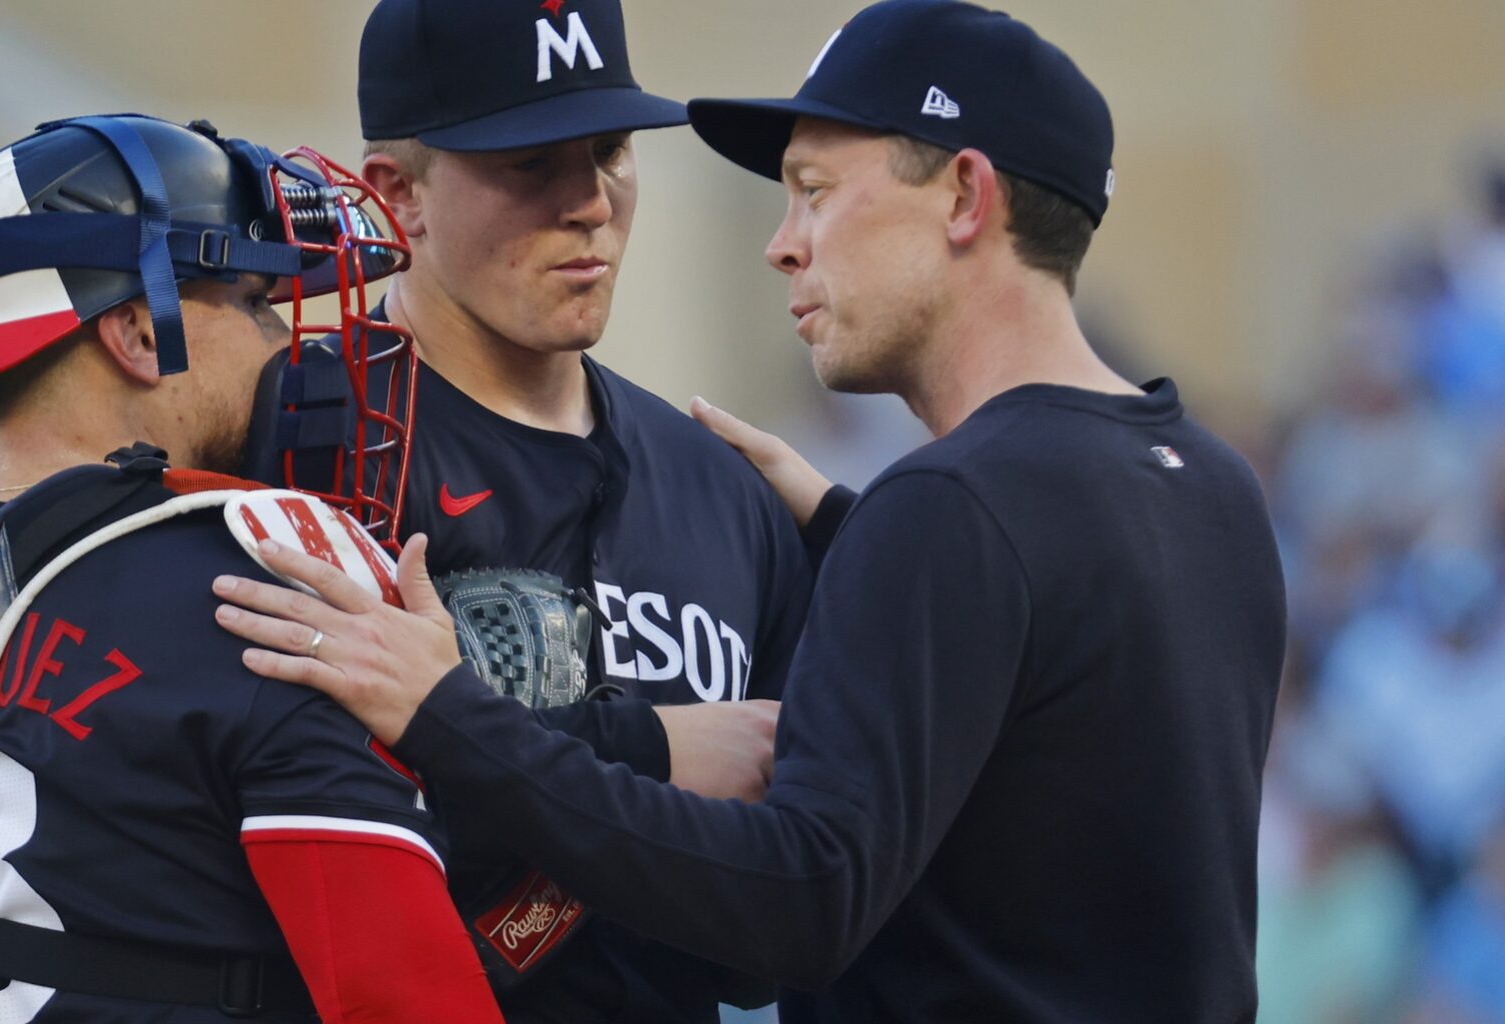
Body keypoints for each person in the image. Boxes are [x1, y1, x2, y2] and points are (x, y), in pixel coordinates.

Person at [212, 1, 1290, 1020]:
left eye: (815, 190)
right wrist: (671, 721)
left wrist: (452, 715)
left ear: (965, 197)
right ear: (399, 192)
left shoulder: (922, 509)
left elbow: (795, 900)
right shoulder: (1208, 485)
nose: (782, 241)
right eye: (528, 164)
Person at [0, 115, 502, 1024]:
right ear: (140, 334)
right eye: (255, 303)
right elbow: (409, 1000)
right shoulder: (272, 572)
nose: (282, 343)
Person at [240, 0, 811, 1020]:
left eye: (611, 151)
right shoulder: (306, 431)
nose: (589, 201)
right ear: (396, 195)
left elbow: (778, 918)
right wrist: (654, 753)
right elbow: (272, 799)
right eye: (530, 163)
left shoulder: (724, 490)